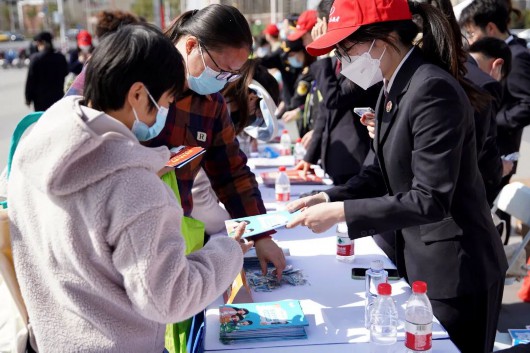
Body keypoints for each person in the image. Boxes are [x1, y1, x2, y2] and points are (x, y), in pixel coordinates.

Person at [8, 23, 252, 352]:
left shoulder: (32, 148)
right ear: (138, 94)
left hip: (50, 339)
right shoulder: (133, 185)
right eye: (166, 101)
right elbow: (169, 298)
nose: (166, 112)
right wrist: (229, 252)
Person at [286, 1, 507, 352]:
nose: (342, 62)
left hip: (458, 270)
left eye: (346, 48)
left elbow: (430, 197)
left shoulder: (431, 89)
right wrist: (330, 197)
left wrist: (341, 214)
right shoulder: (392, 86)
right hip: (420, 260)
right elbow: (379, 172)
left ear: (384, 38)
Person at [155, 5, 286, 276]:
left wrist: (260, 235)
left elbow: (232, 172)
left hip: (173, 236)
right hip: (118, 231)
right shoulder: (132, 70)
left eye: (232, 75)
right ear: (192, 46)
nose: (224, 81)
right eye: (221, 70)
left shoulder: (210, 103)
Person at [460, 0, 530, 157]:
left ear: (490, 28)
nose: (470, 41)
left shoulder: (517, 56)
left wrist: (493, 120)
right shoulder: (499, 52)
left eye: (471, 33)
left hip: (501, 151)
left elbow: (527, 104)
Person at [24, 31, 68, 111]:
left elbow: (30, 80)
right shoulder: (60, 57)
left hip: (40, 101)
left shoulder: (36, 59)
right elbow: (66, 73)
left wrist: (28, 98)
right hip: (57, 97)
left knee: (43, 121)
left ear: (42, 43)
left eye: (38, 43)